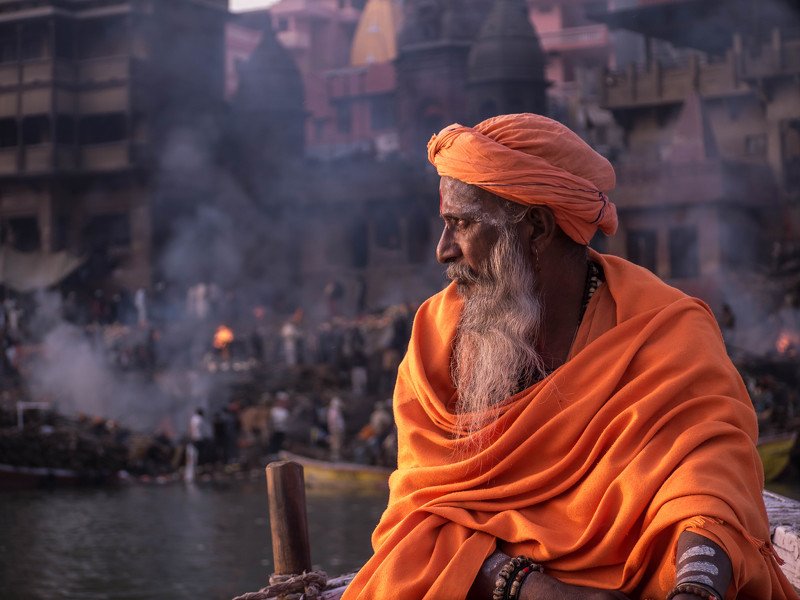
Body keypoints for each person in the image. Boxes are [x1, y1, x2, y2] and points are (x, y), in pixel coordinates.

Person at [342, 114, 797, 600]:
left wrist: (695, 588)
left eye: (461, 224)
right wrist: (535, 589)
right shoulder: (435, 339)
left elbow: (708, 474)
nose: (442, 250)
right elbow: (419, 518)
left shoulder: (663, 326)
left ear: (536, 227)